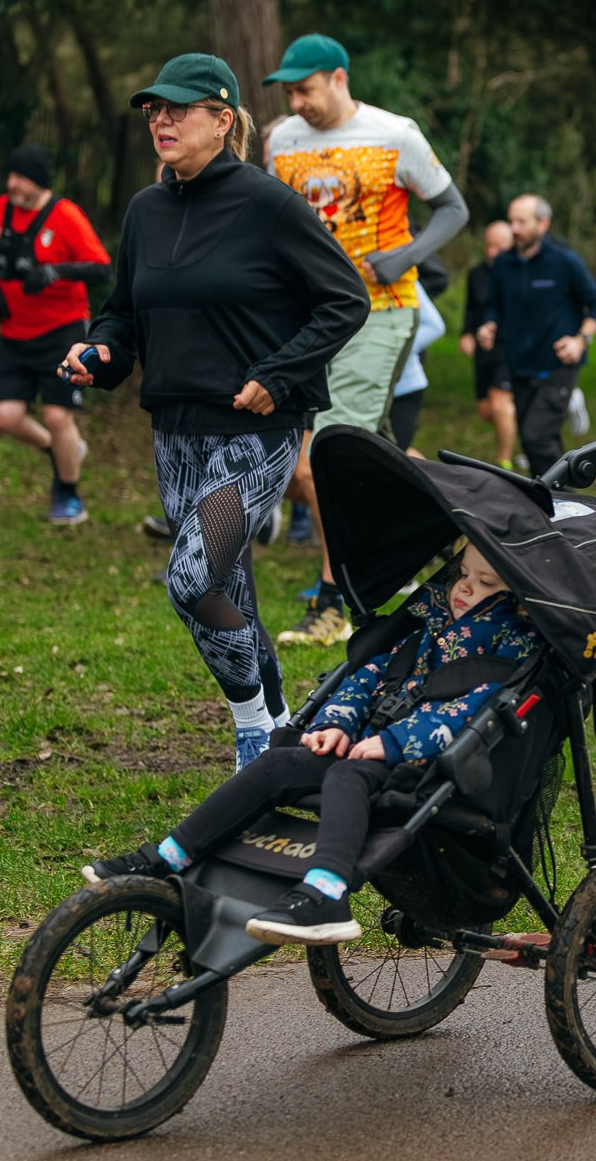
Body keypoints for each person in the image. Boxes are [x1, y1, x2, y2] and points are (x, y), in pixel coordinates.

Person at [61, 52, 368, 770]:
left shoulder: (269, 204)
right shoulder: (145, 209)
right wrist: (100, 354)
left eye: (176, 109)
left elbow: (344, 300)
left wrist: (279, 376)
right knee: (229, 592)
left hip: (254, 432)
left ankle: (253, 726)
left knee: (195, 580)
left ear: (222, 119)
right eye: (152, 111)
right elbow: (123, 316)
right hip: (174, 433)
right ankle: (284, 727)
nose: (159, 121)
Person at [81, 543, 541, 943]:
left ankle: (326, 894)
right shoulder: (429, 626)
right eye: (461, 574)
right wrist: (337, 722)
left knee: (346, 775)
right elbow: (370, 677)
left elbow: (465, 713)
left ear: (515, 598)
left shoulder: (507, 649)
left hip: (429, 766)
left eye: (483, 583)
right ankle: (168, 856)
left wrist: (394, 743)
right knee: (276, 764)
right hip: (367, 745)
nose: (463, 587)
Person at [262, 34, 468, 647]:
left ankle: (335, 600)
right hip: (309, 317)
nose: (297, 102)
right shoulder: (281, 141)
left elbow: (453, 209)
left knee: (322, 457)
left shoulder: (394, 134)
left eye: (306, 89)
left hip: (381, 310)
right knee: (362, 456)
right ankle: (459, 514)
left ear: (338, 78)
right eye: (290, 92)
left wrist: (403, 254)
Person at [0, 143, 111, 524]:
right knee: (4, 415)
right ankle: (63, 450)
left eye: (20, 178)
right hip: (15, 332)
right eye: (11, 176)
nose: (12, 184)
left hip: (62, 331)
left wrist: (56, 272)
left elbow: (102, 268)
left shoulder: (65, 216)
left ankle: (69, 496)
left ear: (39, 182)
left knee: (57, 416)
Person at [475, 194, 596, 475]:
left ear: (543, 223)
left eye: (522, 222)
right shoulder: (503, 264)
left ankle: (561, 500)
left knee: (536, 436)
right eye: (512, 221)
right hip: (519, 364)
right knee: (534, 438)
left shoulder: (564, 261)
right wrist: (489, 324)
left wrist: (580, 340)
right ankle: (555, 503)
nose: (515, 229)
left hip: (558, 365)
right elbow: (494, 307)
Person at [461, 219, 517, 466]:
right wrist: (466, 334)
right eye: (489, 246)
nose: (493, 252)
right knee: (485, 412)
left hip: (508, 349)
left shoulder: (519, 274)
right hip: (483, 351)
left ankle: (504, 460)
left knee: (499, 402)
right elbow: (471, 309)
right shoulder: (476, 274)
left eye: (500, 246)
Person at [387, 270, 447, 451]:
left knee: (392, 456)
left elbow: (435, 326)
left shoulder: (400, 275)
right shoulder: (344, 271)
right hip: (358, 388)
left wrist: (393, 352)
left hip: (403, 388)